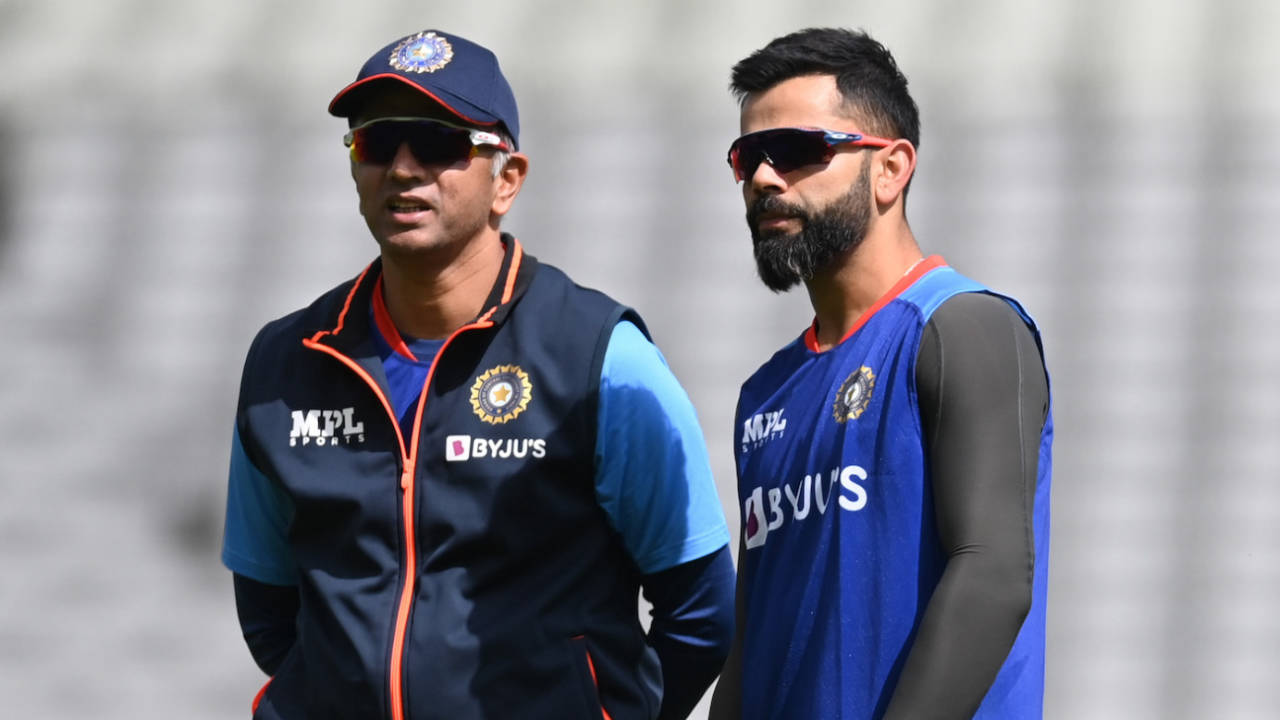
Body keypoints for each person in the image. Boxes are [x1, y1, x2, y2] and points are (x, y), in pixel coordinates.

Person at [221, 29, 735, 720]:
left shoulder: (600, 357)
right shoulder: (287, 361)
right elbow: (268, 611)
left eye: (437, 143)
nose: (403, 169)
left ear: (507, 181)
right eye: (377, 141)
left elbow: (701, 613)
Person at [707, 28, 1053, 720]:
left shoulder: (963, 328)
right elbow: (751, 643)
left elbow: (993, 577)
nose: (766, 179)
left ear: (891, 169)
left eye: (799, 151)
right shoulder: (766, 392)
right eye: (749, 158)